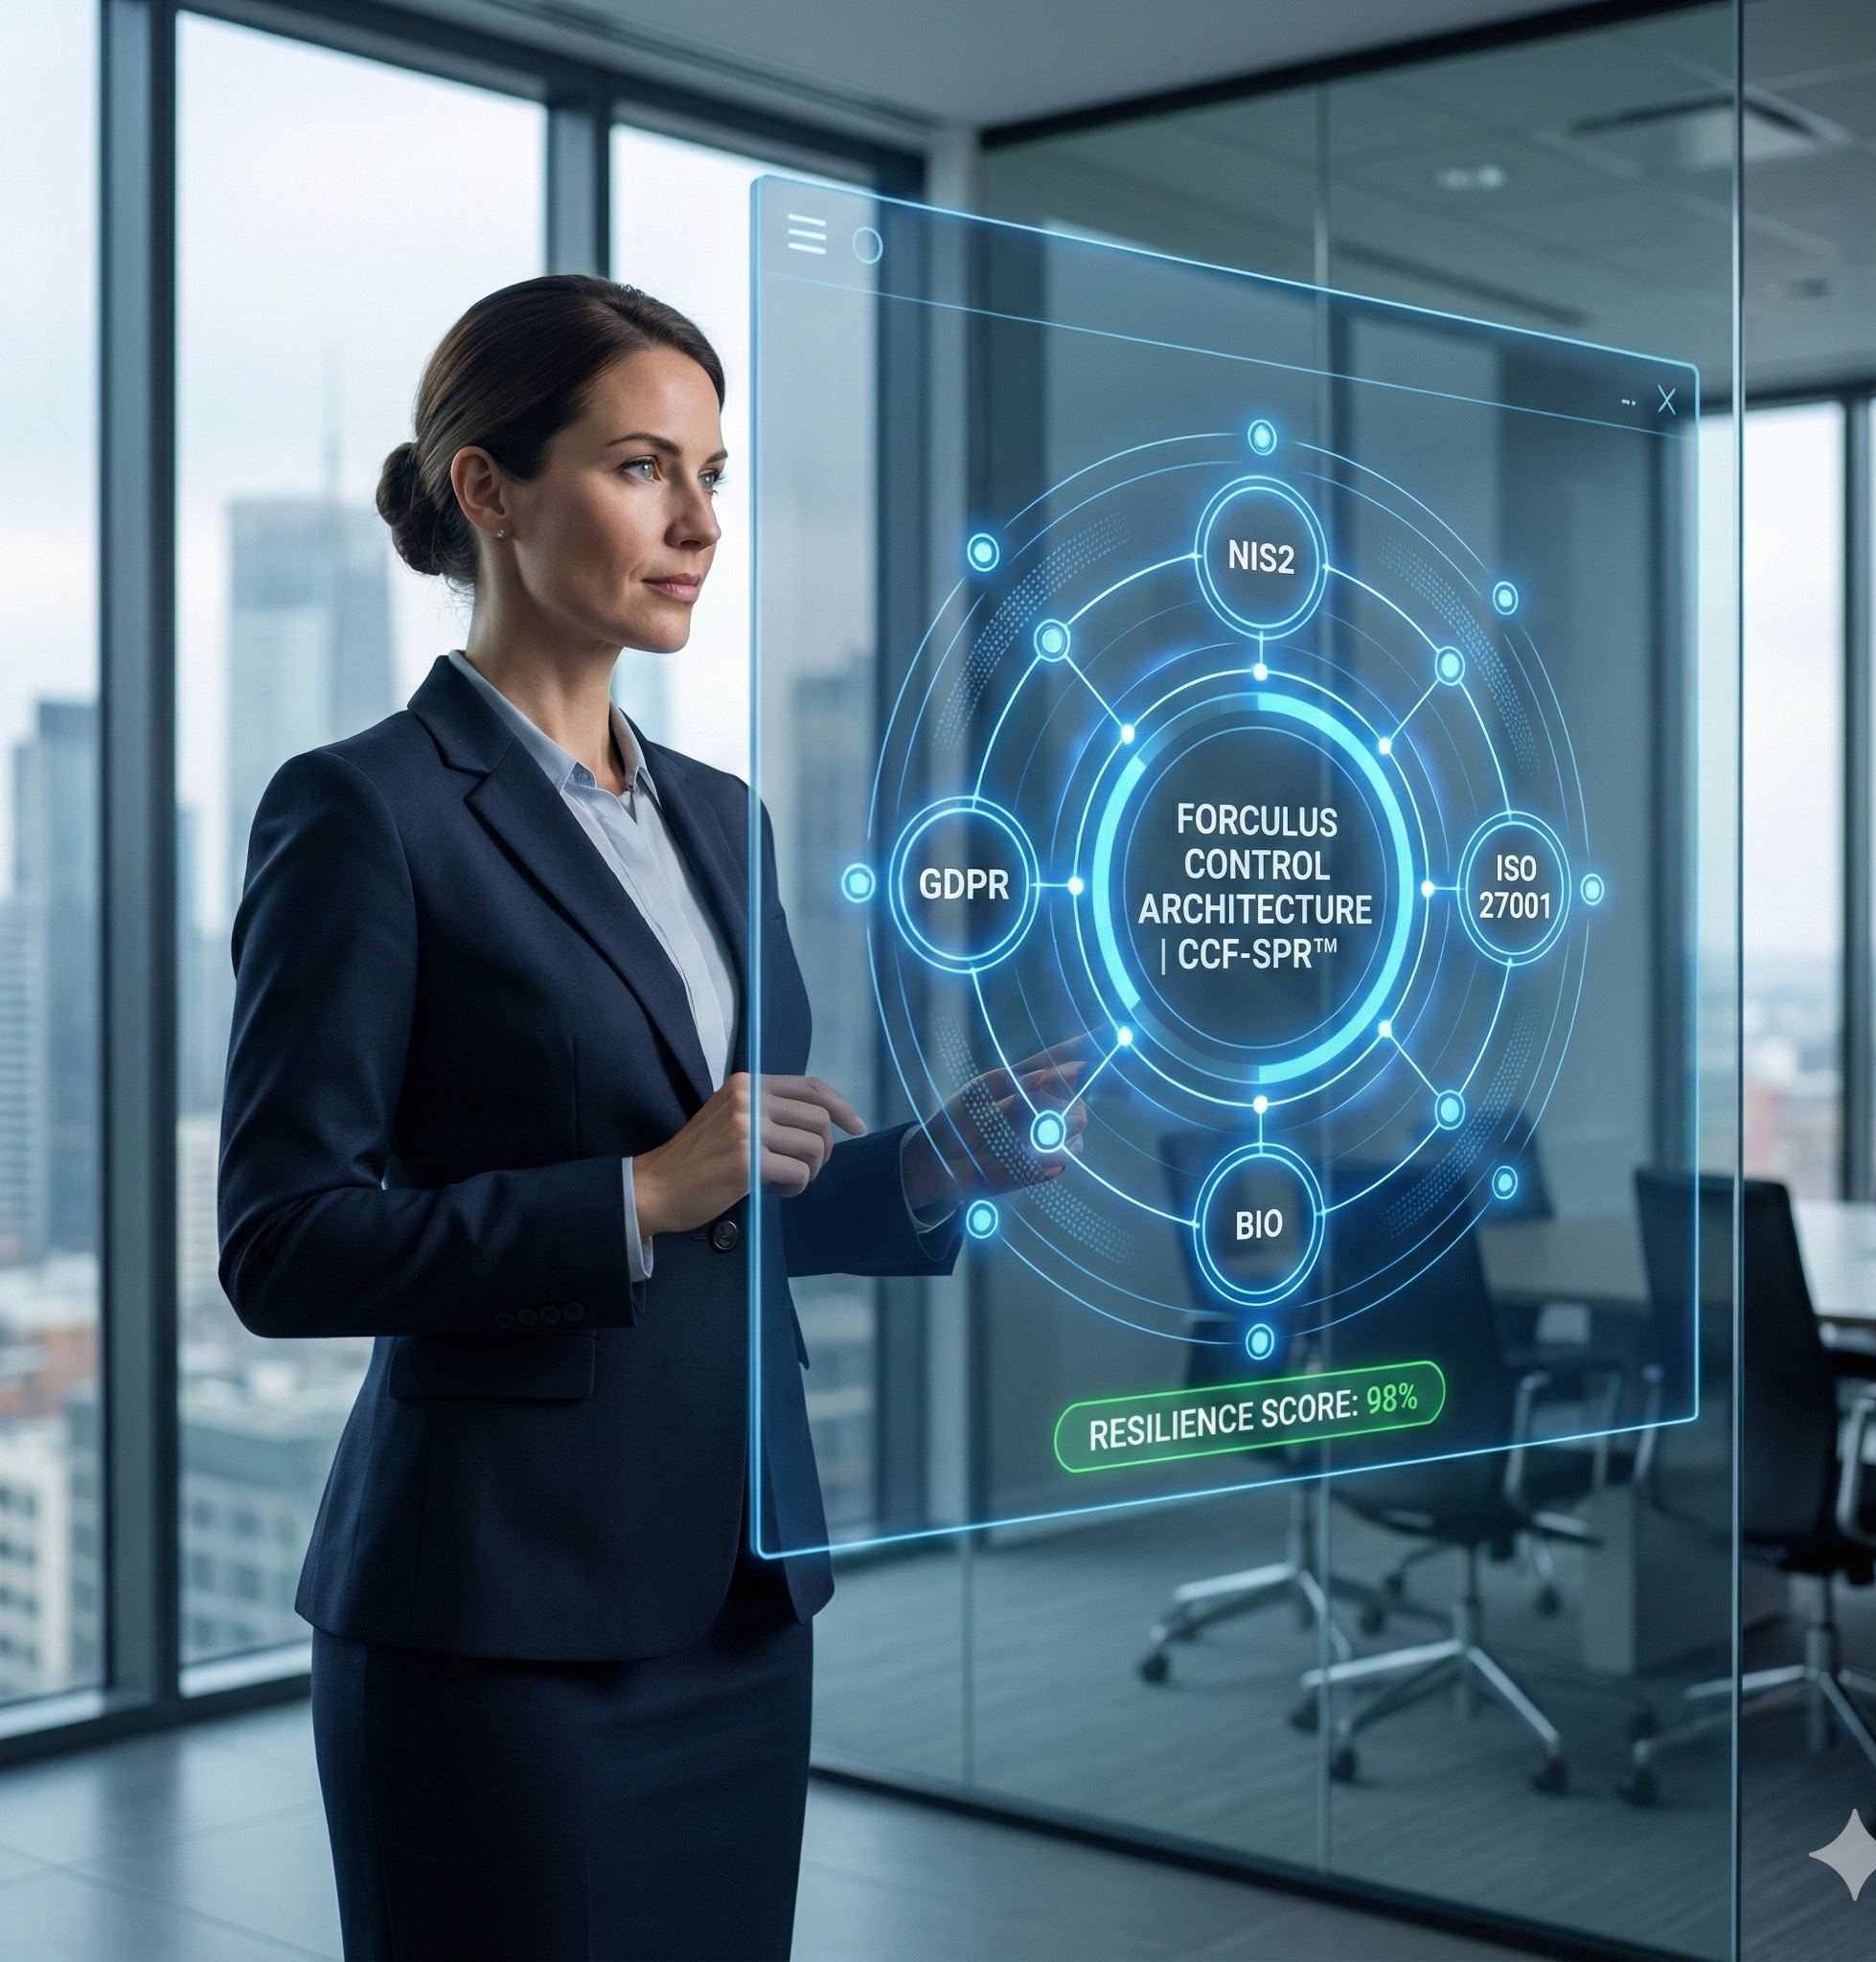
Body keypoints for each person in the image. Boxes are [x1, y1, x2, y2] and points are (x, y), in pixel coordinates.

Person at [218, 274, 1079, 1962]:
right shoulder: (363, 813)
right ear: (488, 490)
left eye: (713, 474)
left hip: (738, 1604)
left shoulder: (720, 817)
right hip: (496, 1632)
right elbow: (282, 1245)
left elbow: (728, 1196)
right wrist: (628, 1193)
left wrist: (921, 1170)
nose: (696, 524)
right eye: (640, 469)